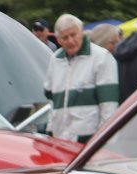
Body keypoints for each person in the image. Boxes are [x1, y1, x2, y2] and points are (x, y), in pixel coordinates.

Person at [44, 13, 119, 143]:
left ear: (82, 32)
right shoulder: (55, 59)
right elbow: (51, 100)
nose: (70, 41)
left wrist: (104, 140)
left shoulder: (102, 57)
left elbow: (109, 106)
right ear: (58, 40)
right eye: (65, 37)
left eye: (73, 35)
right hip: (60, 138)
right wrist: (50, 130)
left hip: (88, 140)